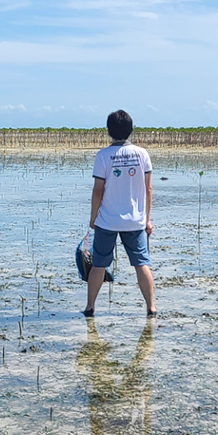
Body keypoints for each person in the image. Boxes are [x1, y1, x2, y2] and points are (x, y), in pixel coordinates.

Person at [84, 110, 157, 318]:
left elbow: (98, 190)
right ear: (130, 129)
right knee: (141, 263)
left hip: (107, 221)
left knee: (99, 264)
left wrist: (93, 218)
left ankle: (90, 307)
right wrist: (147, 220)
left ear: (109, 131)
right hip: (135, 221)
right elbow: (148, 189)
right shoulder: (142, 154)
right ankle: (151, 307)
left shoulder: (103, 155)